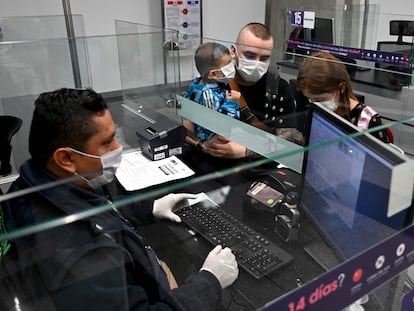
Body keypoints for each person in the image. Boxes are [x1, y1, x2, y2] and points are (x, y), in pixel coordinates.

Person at [0, 88, 238, 310]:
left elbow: (98, 207)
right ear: (66, 158)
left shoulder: (41, 179)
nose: (118, 148)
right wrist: (209, 282)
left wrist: (150, 207)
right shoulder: (81, 259)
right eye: (106, 142)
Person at [199, 22, 298, 159]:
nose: (257, 63)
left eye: (264, 58)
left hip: (255, 168)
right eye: (250, 55)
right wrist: (202, 144)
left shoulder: (278, 89)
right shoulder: (215, 80)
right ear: (233, 51)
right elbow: (188, 123)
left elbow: (287, 142)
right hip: (212, 161)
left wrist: (245, 151)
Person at [296, 51, 391, 143]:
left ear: (341, 87)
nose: (314, 104)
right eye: (310, 99)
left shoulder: (367, 121)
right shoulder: (315, 112)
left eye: (320, 99)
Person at [184, 42, 241, 151]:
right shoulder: (209, 96)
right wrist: (233, 103)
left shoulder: (196, 83)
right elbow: (222, 127)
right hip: (213, 143)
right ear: (213, 74)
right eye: (227, 66)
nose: (232, 67)